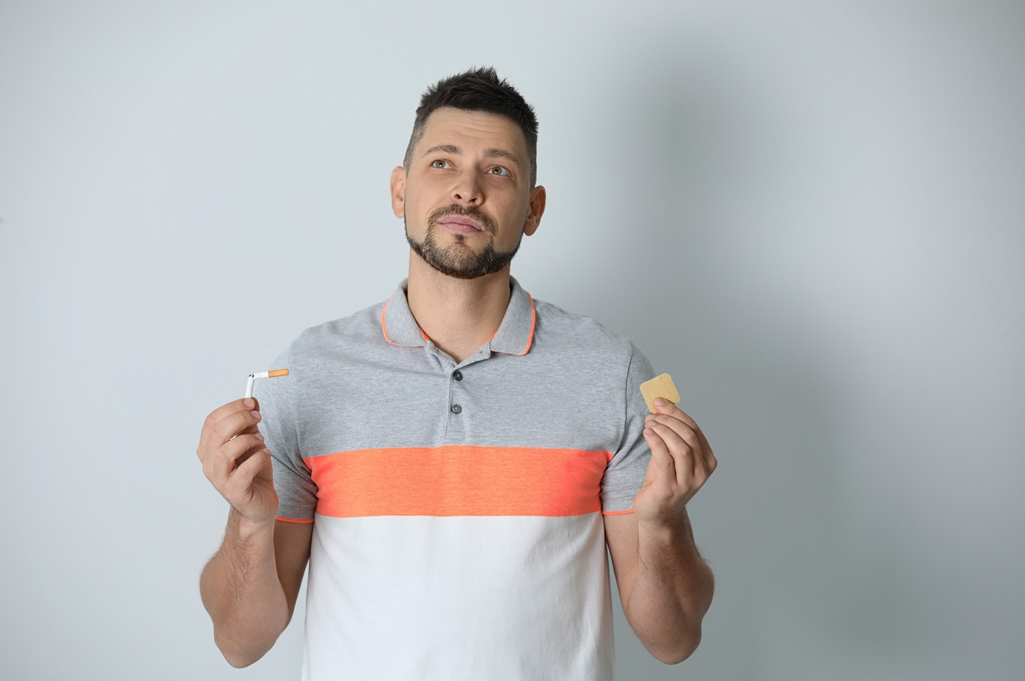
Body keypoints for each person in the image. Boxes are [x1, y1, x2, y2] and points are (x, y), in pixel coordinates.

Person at [197, 66, 716, 680]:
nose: (467, 190)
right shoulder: (309, 374)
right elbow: (240, 643)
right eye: (442, 163)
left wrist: (661, 524)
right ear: (400, 191)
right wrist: (252, 523)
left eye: (498, 170)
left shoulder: (614, 372)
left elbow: (674, 640)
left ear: (534, 207)